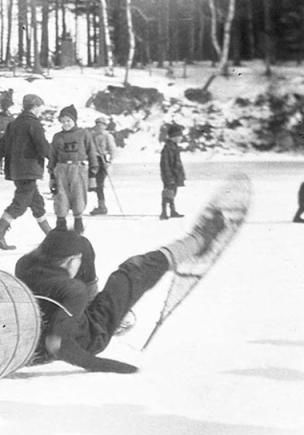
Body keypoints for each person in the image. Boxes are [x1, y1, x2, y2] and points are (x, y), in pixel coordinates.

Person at [15, 208, 226, 373]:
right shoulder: (74, 290)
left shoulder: (25, 264)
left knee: (84, 245)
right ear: (70, 260)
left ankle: (195, 242)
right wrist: (107, 365)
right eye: (77, 260)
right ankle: (198, 241)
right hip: (91, 336)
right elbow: (57, 345)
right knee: (131, 272)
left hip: (52, 319)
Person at [0, 94, 52, 250]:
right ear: (35, 106)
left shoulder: (14, 124)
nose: (40, 112)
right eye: (40, 108)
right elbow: (42, 147)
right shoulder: (34, 124)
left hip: (16, 171)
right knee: (19, 204)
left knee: (37, 204)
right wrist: (55, 158)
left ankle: (51, 238)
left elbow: (0, 146)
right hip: (29, 170)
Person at [49, 104, 98, 234]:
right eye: (63, 121)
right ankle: (61, 224)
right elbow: (52, 156)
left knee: (78, 195)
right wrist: (52, 176)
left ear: (74, 120)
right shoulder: (57, 137)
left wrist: (93, 174)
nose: (66, 124)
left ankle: (78, 222)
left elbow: (92, 152)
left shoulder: (83, 133)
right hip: (61, 169)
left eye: (68, 121)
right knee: (61, 196)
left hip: (78, 168)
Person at [88, 117, 116, 215]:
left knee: (99, 184)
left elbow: (113, 150)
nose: (99, 126)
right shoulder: (91, 135)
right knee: (89, 184)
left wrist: (109, 161)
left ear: (105, 126)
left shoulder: (107, 136)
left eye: (101, 124)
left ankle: (102, 206)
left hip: (102, 161)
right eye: (98, 124)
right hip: (92, 161)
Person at [160, 123, 186, 220]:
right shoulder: (168, 148)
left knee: (172, 193)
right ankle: (164, 212)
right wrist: (169, 177)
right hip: (169, 176)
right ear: (174, 136)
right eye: (179, 136)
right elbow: (165, 165)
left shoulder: (174, 147)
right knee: (168, 193)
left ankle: (172, 211)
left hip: (174, 175)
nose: (181, 138)